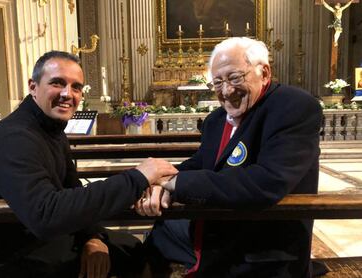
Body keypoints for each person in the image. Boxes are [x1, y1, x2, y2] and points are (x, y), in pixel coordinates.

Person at [0, 50, 178, 278]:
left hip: (41, 239)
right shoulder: (14, 138)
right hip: (10, 257)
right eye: (57, 83)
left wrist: (93, 237)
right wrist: (138, 177)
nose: (68, 94)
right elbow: (45, 215)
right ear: (33, 86)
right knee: (136, 255)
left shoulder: (49, 129)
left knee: (138, 248)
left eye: (76, 87)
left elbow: (72, 188)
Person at [136, 37, 322, 277]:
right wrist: (158, 178)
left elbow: (267, 182)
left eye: (235, 78)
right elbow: (202, 163)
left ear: (264, 73)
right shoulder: (215, 120)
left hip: (263, 244)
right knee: (157, 232)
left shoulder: (292, 107)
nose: (226, 91)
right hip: (220, 225)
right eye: (217, 82)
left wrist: (174, 183)